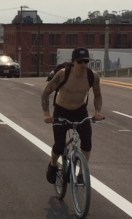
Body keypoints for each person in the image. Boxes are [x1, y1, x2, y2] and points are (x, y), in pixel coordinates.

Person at [42, 47, 104, 184]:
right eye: (80, 61)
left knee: (87, 141)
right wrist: (46, 114)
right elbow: (46, 93)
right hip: (61, 110)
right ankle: (53, 164)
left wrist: (98, 111)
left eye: (86, 61)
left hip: (79, 110)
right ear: (73, 61)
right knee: (59, 145)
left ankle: (81, 173)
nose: (83, 64)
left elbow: (98, 95)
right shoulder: (63, 74)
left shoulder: (92, 76)